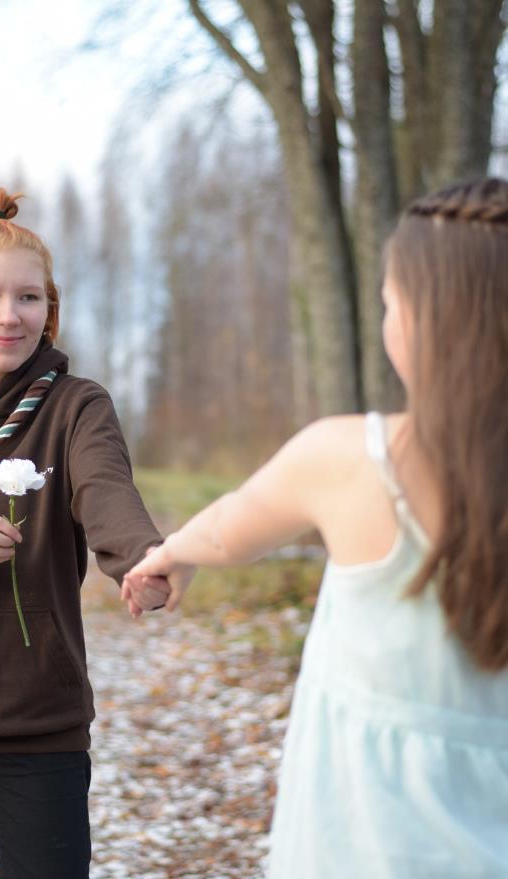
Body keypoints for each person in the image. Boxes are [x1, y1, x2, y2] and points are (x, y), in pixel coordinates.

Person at [124, 177, 508, 877]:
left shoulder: (351, 458)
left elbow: (231, 528)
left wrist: (173, 552)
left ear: (424, 321)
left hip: (361, 843)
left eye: (390, 300)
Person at [0, 188, 170, 879]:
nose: (10, 315)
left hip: (38, 722)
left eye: (29, 298)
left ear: (49, 312)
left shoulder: (74, 405)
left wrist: (142, 558)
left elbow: (106, 491)